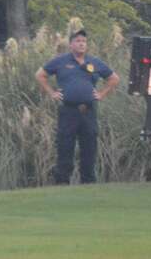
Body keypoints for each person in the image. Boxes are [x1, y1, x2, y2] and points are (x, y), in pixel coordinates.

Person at [36, 28, 119, 184]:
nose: (82, 44)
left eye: (84, 41)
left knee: (89, 145)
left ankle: (88, 182)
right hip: (68, 110)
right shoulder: (60, 61)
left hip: (88, 111)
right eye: (78, 41)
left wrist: (102, 94)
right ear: (71, 44)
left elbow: (114, 78)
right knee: (65, 145)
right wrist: (52, 92)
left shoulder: (94, 62)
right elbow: (40, 75)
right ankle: (62, 182)